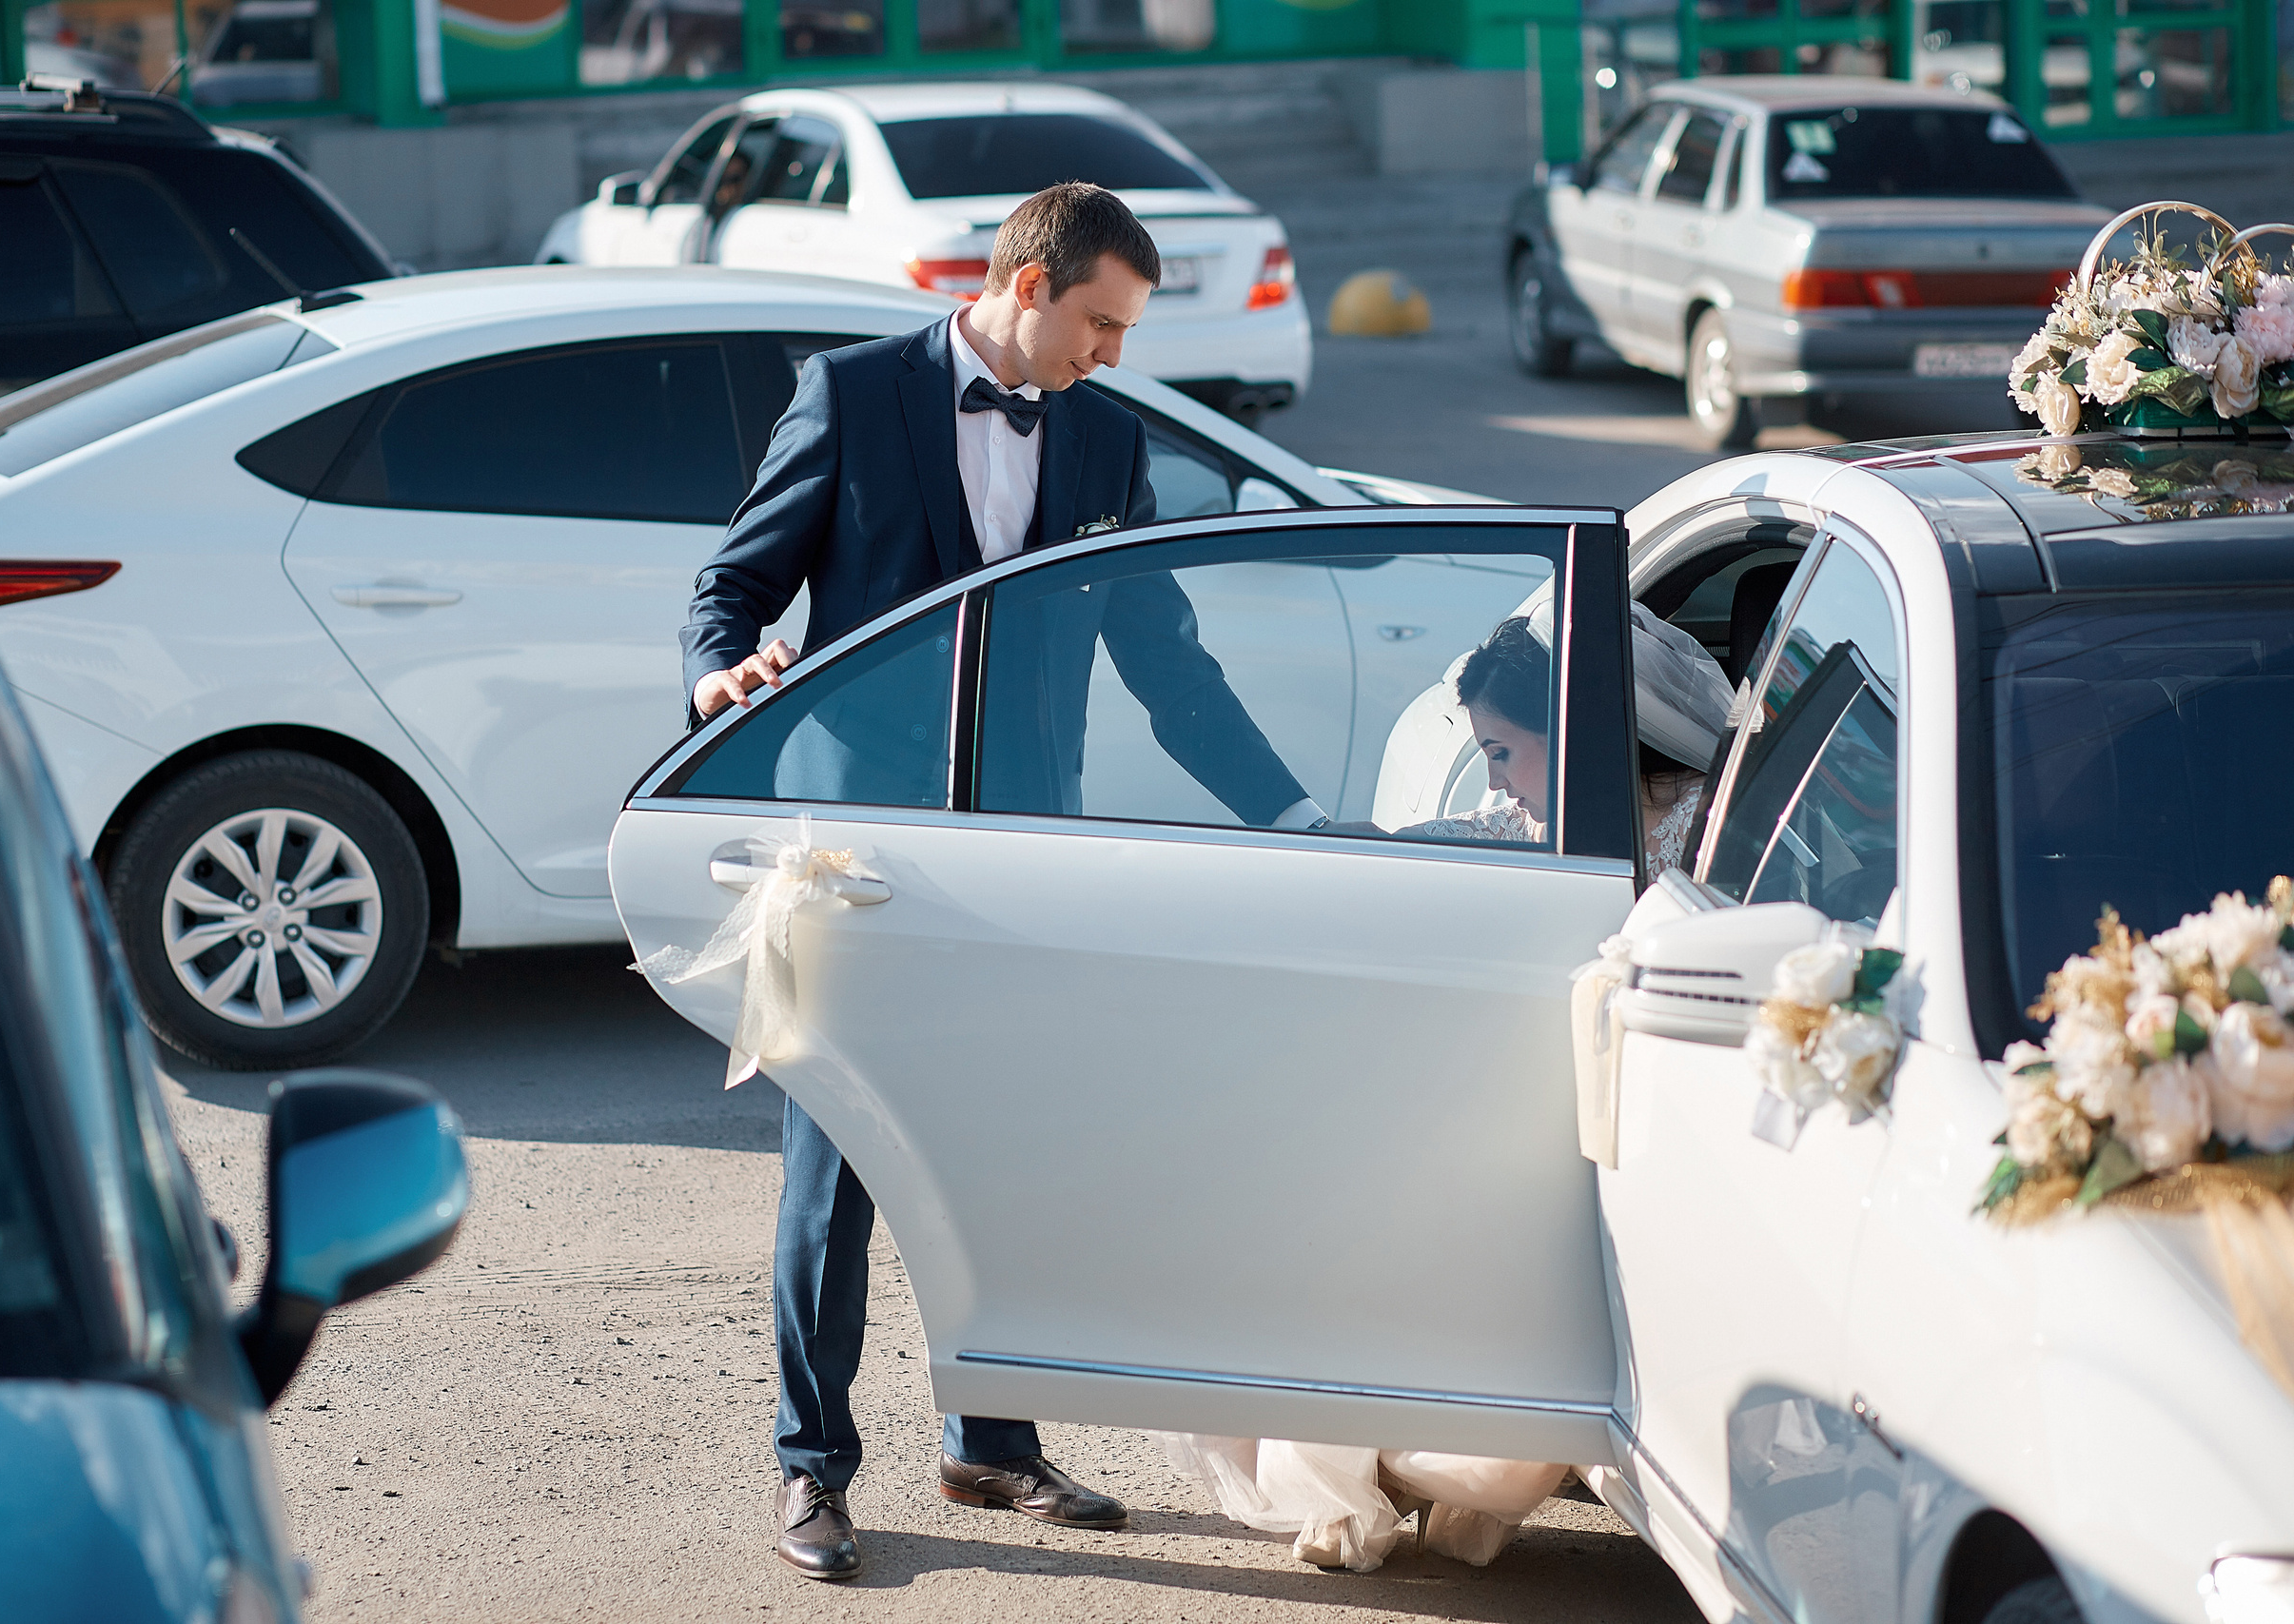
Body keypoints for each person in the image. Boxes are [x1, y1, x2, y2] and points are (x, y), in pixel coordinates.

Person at [679, 181, 1315, 1582]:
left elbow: (1165, 655)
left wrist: (1289, 811)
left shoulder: (1105, 436)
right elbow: (730, 588)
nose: (1112, 354)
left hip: (1022, 850)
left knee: (1000, 1154)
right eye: (1099, 322)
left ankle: (992, 1438)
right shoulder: (848, 398)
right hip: (850, 855)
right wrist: (724, 674)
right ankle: (812, 1467)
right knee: (832, 1174)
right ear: (1024, 286)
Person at [1161, 602, 1735, 1573]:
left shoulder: (1707, 831)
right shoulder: (1524, 818)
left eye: (1505, 752)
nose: (1498, 780)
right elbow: (1447, 844)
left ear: (1576, 734)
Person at [1398, 601, 1735, 877]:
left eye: (1499, 754)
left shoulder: (1708, 822)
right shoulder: (1545, 822)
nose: (1493, 783)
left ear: (1567, 734)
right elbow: (1450, 837)